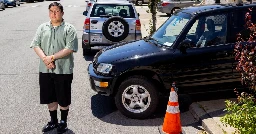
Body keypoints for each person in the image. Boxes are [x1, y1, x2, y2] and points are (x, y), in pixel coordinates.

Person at [30, 2, 78, 133]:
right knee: (49, 97)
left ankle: (63, 122)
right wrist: (46, 60)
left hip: (63, 70)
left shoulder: (70, 29)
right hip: (45, 69)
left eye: (56, 11)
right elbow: (35, 45)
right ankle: (53, 121)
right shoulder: (42, 27)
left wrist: (51, 58)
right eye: (51, 11)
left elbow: (69, 49)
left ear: (62, 13)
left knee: (63, 97)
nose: (54, 14)